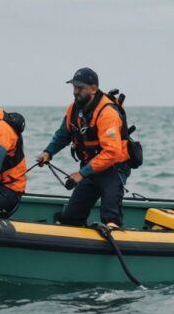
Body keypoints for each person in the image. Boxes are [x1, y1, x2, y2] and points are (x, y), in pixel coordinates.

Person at [36, 68, 130, 227]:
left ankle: (113, 231)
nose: (75, 92)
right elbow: (63, 134)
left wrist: (81, 173)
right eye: (74, 87)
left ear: (93, 88)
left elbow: (112, 153)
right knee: (71, 218)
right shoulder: (73, 109)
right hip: (91, 169)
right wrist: (48, 152)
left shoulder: (107, 113)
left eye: (80, 88)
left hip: (114, 169)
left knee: (110, 217)